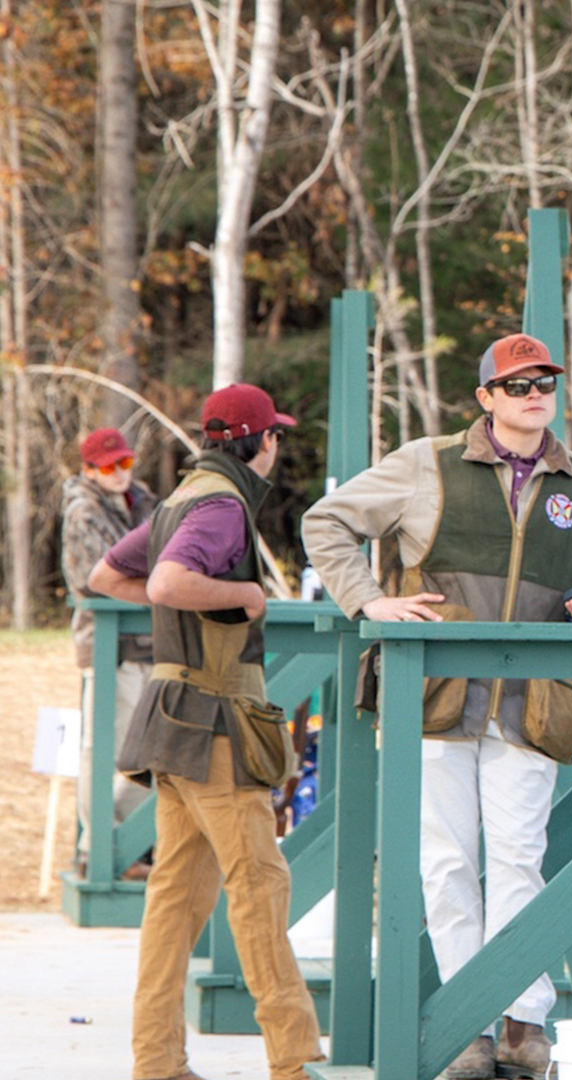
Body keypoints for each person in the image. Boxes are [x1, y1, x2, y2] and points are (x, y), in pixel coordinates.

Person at [302, 332, 572, 1080]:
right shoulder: (425, 463)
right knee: (446, 863)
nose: (534, 393)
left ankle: (521, 1022)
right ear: (485, 398)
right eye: (516, 384)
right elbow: (326, 522)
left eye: (544, 382)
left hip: (532, 700)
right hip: (434, 695)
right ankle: (472, 1026)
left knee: (518, 861)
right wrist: (370, 600)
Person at [89, 384, 322, 1080]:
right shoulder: (222, 505)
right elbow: (165, 584)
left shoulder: (180, 499)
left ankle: (158, 1063)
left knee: (174, 904)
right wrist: (243, 598)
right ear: (261, 441)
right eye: (274, 434)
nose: (277, 445)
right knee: (258, 889)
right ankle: (296, 1062)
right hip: (216, 723)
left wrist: (199, 605)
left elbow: (108, 576)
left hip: (174, 723)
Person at [61, 426, 157, 873]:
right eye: (107, 466)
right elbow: (97, 577)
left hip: (148, 642)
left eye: (125, 462)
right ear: (88, 469)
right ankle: (98, 850)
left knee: (146, 749)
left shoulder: (144, 500)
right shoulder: (83, 512)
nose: (119, 473)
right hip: (108, 645)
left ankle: (132, 844)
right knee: (103, 750)